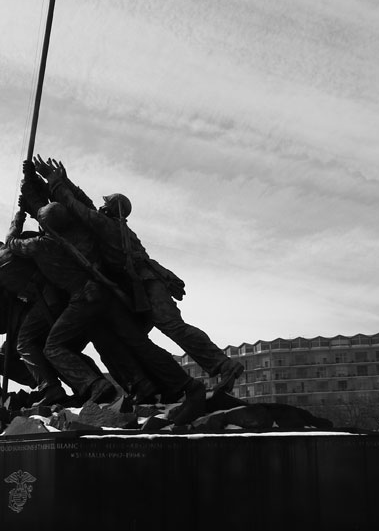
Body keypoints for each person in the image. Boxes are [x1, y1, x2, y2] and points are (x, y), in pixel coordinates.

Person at [32, 157, 245, 392]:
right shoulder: (113, 225)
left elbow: (76, 206)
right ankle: (168, 384)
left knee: (172, 326)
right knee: (134, 341)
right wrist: (63, 180)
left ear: (109, 209)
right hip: (141, 286)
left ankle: (223, 365)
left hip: (147, 283)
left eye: (104, 205)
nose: (100, 208)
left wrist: (54, 182)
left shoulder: (106, 225)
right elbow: (85, 204)